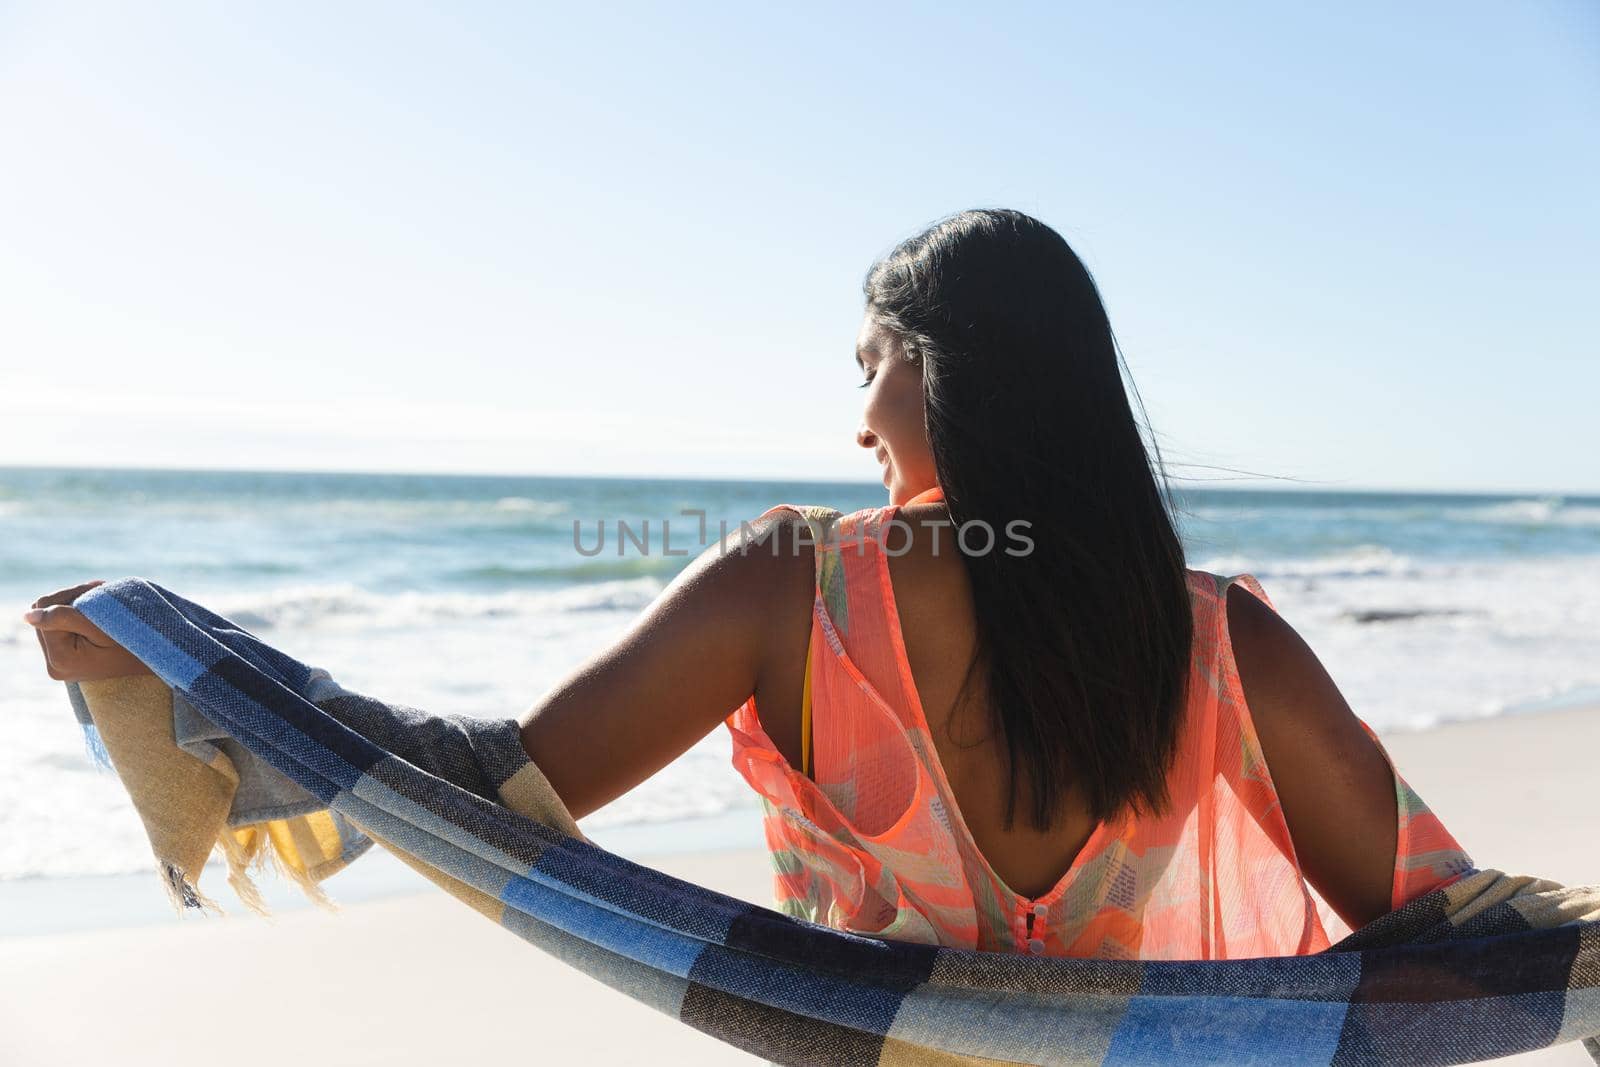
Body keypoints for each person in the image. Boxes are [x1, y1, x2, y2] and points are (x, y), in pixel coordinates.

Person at [23, 208, 1472, 961]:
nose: (856, 420)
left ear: (934, 367)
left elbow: (487, 787)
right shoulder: (1222, 642)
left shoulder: (792, 591)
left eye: (869, 366)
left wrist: (179, 661)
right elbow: (1449, 927)